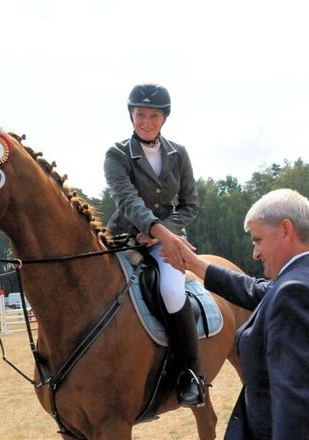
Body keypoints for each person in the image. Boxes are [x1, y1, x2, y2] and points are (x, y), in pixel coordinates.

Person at [174, 189, 309, 439]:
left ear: (285, 230)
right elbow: (258, 290)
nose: (255, 253)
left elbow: (296, 413)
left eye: (258, 240)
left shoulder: (294, 295)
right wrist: (194, 263)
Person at [103, 83, 203, 407]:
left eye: (154, 116)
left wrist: (163, 234)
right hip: (123, 238)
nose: (146, 121)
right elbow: (127, 199)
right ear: (131, 115)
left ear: (164, 118)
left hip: (165, 241)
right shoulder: (117, 154)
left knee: (172, 290)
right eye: (140, 115)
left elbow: (190, 204)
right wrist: (152, 228)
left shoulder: (179, 153)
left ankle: (191, 374)